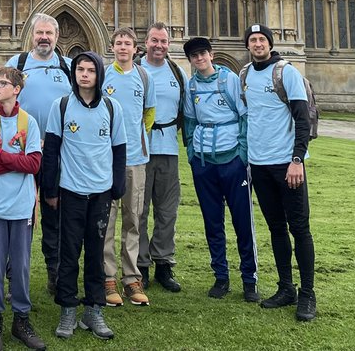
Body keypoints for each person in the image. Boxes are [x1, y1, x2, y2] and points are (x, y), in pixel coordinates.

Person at [41, 51, 125, 342]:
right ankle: (67, 307)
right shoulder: (61, 106)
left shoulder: (112, 108)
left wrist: (117, 187)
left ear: (99, 74)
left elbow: (119, 150)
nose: (85, 74)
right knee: (68, 252)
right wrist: (49, 189)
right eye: (80, 69)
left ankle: (93, 308)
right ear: (73, 73)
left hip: (100, 192)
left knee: (96, 253)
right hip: (70, 191)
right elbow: (51, 149)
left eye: (90, 69)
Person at [242, 24, 316, 321]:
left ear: (270, 44)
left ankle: (308, 295)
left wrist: (297, 159)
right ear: (247, 45)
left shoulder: (287, 72)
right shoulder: (245, 75)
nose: (257, 44)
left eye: (262, 39)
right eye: (253, 40)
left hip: (288, 165)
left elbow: (303, 119)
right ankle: (287, 288)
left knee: (299, 228)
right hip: (259, 165)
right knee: (275, 228)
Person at [181, 36, 259, 303]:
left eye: (203, 54)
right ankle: (221, 277)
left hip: (232, 161)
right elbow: (190, 123)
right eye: (194, 56)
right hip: (204, 163)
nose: (199, 59)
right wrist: (192, 153)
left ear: (211, 55)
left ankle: (249, 279)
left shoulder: (229, 80)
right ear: (190, 60)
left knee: (242, 221)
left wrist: (242, 154)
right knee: (212, 222)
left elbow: (245, 115)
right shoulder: (191, 88)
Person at [0, 66, 45, 351]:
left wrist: (2, 155)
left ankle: (21, 319)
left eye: (3, 83)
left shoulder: (28, 122)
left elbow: (34, 165)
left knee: (21, 265)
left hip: (21, 205)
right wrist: (14, 161)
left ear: (16, 89)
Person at [5, 13, 72, 294]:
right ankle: (13, 278)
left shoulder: (69, 67)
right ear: (31, 35)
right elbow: (2, 103)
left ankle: (54, 275)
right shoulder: (16, 65)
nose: (44, 38)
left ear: (57, 37)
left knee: (54, 214)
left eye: (49, 33)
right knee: (20, 216)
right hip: (23, 152)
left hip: (57, 153)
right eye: (39, 33)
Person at [101, 28, 155, 307]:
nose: (123, 47)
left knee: (133, 219)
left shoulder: (144, 77)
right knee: (107, 220)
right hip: (107, 160)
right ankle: (108, 278)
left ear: (136, 49)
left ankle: (132, 278)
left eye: (128, 43)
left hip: (135, 158)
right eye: (119, 43)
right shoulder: (103, 76)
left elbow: (149, 114)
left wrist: (135, 138)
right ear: (112, 48)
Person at [137, 22, 186, 293]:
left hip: (168, 150)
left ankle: (163, 264)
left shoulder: (177, 73)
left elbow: (187, 110)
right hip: (140, 152)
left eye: (164, 41)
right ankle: (141, 266)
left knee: (167, 212)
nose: (159, 45)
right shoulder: (135, 70)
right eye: (154, 40)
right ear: (146, 42)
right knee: (139, 211)